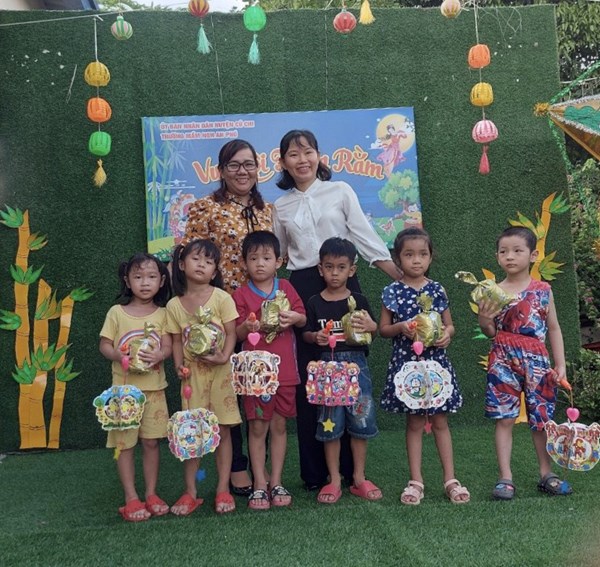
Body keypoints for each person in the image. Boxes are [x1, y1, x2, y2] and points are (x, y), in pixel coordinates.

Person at [273, 129, 400, 490]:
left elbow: (364, 236)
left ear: (319, 156)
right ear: (283, 163)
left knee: (350, 373)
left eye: (308, 152)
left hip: (344, 286)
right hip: (303, 289)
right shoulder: (280, 207)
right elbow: (278, 255)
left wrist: (401, 276)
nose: (302, 160)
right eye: (293, 154)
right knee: (310, 378)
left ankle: (352, 472)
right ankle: (318, 474)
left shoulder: (340, 191)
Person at [183, 139, 273, 496]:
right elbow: (191, 259)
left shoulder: (267, 210)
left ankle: (262, 465)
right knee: (228, 391)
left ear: (258, 168)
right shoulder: (205, 208)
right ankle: (237, 465)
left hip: (261, 312)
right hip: (220, 314)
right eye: (234, 165)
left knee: (259, 386)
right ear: (221, 170)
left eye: (249, 164)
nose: (242, 171)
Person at [478, 226, 570, 500]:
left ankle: (546, 473)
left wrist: (560, 364)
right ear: (497, 256)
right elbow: (489, 331)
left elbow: (554, 328)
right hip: (502, 359)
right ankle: (505, 478)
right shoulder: (494, 292)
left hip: (537, 362)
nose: (509, 256)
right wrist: (484, 319)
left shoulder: (543, 290)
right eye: (503, 251)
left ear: (533, 255)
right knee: (504, 418)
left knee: (541, 418)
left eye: (517, 250)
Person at [380, 228, 469, 505]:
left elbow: (450, 325)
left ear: (430, 257)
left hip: (436, 365)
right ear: (398, 259)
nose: (416, 260)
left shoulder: (437, 289)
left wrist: (447, 335)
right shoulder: (392, 291)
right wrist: (400, 327)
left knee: (440, 421)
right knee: (415, 422)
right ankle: (416, 481)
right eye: (409, 255)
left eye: (422, 254)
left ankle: (450, 479)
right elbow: (383, 329)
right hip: (407, 366)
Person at [303, 238, 382, 504]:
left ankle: (359, 477)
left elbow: (374, 331)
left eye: (341, 267)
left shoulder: (359, 300)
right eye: (329, 267)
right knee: (330, 424)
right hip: (327, 371)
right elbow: (306, 334)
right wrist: (315, 337)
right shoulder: (314, 302)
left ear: (352, 270)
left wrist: (372, 326)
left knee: (360, 420)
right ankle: (334, 479)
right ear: (320, 269)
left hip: (357, 367)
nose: (334, 273)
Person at [166, 239, 241, 516]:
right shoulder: (174, 305)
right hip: (192, 378)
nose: (202, 265)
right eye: (196, 259)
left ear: (215, 271)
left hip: (221, 375)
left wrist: (224, 357)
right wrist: (178, 366)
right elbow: (176, 341)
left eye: (209, 262)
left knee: (223, 430)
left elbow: (231, 333)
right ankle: (190, 492)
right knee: (191, 433)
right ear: (181, 264)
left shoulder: (222, 298)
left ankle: (223, 489)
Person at [232, 231, 306, 510]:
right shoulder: (240, 294)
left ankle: (276, 481)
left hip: (285, 372)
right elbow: (237, 333)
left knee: (279, 426)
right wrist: (247, 326)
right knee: (257, 427)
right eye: (253, 259)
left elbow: (302, 318)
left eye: (266, 258)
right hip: (255, 376)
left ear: (279, 261)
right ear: (244, 263)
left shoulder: (286, 287)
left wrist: (294, 317)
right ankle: (259, 483)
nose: (260, 264)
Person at [99, 253, 172, 522]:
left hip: (154, 389)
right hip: (124, 393)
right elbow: (104, 345)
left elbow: (167, 346)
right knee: (124, 444)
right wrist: (118, 355)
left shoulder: (164, 314)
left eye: (151, 277)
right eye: (138, 277)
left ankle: (151, 493)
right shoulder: (116, 313)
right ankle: (131, 497)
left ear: (161, 281)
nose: (145, 282)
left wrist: (160, 354)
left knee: (151, 442)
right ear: (127, 281)